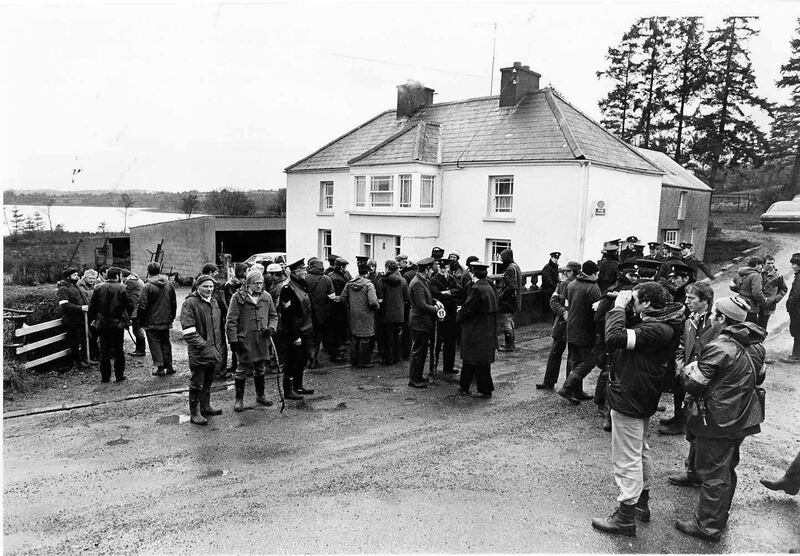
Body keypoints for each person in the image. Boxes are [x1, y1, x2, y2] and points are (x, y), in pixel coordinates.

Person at [591, 283, 684, 537]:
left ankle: (625, 517)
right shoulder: (662, 323)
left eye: (636, 299)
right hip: (641, 393)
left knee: (627, 457)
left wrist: (620, 307)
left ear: (647, 305)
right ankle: (641, 504)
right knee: (640, 450)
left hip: (631, 396)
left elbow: (615, 338)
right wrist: (626, 306)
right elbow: (629, 330)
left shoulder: (656, 330)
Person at [675, 296, 767, 542]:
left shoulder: (719, 347)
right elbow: (759, 377)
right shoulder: (756, 346)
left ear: (722, 319)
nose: (712, 318)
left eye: (715, 314)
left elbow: (695, 384)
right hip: (742, 417)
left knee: (714, 473)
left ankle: (708, 526)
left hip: (717, 420)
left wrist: (687, 370)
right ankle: (717, 518)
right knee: (726, 468)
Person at [668, 282, 724, 484]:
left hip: (707, 384)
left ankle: (698, 473)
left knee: (703, 426)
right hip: (690, 380)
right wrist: (680, 366)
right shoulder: (689, 320)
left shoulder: (717, 324)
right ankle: (693, 472)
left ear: (705, 301)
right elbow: (682, 346)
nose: (686, 302)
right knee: (692, 426)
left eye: (691, 298)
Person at [593, 260, 640, 430]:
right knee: (610, 374)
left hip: (625, 339)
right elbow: (599, 317)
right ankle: (605, 408)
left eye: (636, 275)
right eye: (631, 275)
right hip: (613, 340)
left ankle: (608, 408)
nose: (635, 278)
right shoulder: (614, 292)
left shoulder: (634, 292)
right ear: (622, 274)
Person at [226, 269, 279, 411]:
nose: (260, 286)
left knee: (260, 368)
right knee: (242, 369)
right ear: (249, 283)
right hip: (245, 341)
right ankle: (239, 400)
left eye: (261, 283)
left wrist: (271, 328)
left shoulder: (266, 297)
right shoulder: (238, 298)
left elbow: (274, 315)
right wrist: (233, 341)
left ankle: (260, 396)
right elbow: (231, 321)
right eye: (256, 283)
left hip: (262, 340)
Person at [180, 274, 225, 425]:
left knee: (208, 381)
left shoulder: (213, 301)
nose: (209, 289)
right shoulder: (190, 304)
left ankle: (206, 406)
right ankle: (195, 413)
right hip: (200, 352)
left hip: (213, 351)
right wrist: (205, 346)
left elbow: (217, 328)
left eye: (211, 286)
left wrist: (216, 348)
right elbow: (189, 332)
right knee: (197, 383)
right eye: (205, 286)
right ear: (198, 287)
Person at [558, 260, 602, 405]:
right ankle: (567, 388)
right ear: (594, 273)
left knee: (575, 359)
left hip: (572, 327)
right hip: (586, 330)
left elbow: (568, 304)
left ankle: (576, 391)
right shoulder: (593, 288)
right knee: (589, 361)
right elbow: (597, 312)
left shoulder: (571, 284)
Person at [536, 261, 580, 390]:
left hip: (575, 324)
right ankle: (548, 381)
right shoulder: (561, 285)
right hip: (561, 323)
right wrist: (563, 312)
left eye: (568, 271)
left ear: (575, 272)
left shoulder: (579, 286)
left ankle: (570, 387)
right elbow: (553, 302)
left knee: (573, 356)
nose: (565, 273)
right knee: (555, 351)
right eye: (565, 270)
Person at [457, 260, 498, 398]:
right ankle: (466, 386)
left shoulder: (476, 289)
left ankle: (481, 389)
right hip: (486, 328)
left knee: (474, 360)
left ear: (473, 272)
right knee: (478, 361)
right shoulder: (488, 286)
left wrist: (459, 313)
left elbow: (468, 309)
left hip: (475, 330)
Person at [277, 259, 316, 399]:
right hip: (294, 331)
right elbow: (288, 315)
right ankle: (288, 390)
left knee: (301, 359)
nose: (306, 272)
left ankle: (298, 386)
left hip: (304, 328)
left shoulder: (300, 284)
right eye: (303, 270)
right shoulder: (287, 288)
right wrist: (295, 335)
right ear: (296, 272)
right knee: (292, 360)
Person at [89, 267, 135, 383]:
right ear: (118, 275)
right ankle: (119, 375)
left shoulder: (98, 288)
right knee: (119, 349)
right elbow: (130, 305)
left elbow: (92, 306)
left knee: (104, 350)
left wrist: (94, 319)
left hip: (103, 323)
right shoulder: (123, 288)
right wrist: (125, 316)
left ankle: (105, 376)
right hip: (118, 323)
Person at [408, 257, 443, 388]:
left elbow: (426, 297)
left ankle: (417, 376)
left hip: (422, 322)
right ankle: (414, 379)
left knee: (421, 351)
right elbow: (421, 305)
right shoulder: (417, 283)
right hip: (419, 322)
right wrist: (436, 308)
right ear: (426, 269)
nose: (432, 272)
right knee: (418, 351)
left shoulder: (422, 281)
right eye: (431, 270)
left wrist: (435, 301)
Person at [138, 262, 177, 376]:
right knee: (166, 342)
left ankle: (159, 367)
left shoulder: (147, 287)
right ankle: (169, 366)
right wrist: (172, 317)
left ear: (148, 272)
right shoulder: (168, 285)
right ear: (159, 271)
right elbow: (173, 303)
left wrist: (141, 320)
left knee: (154, 343)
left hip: (151, 321)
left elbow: (142, 306)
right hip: (166, 320)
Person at [341, 262, 380, 368]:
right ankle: (364, 361)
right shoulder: (369, 285)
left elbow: (343, 297)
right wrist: (377, 306)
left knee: (355, 337)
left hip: (354, 314)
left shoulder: (349, 283)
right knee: (365, 338)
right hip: (366, 315)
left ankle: (354, 360)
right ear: (367, 273)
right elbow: (373, 302)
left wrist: (351, 306)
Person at [430, 258, 463, 375]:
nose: (444, 269)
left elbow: (459, 290)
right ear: (439, 268)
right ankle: (432, 368)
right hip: (441, 314)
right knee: (438, 342)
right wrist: (446, 294)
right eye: (442, 267)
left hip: (452, 313)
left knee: (451, 342)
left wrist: (448, 293)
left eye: (446, 267)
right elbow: (436, 294)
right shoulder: (434, 280)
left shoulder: (451, 278)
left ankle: (448, 367)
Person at [57, 267, 92, 369]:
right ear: (68, 277)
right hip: (71, 321)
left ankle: (86, 358)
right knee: (75, 342)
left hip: (81, 319)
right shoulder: (63, 289)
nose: (77, 277)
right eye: (75, 275)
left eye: (77, 275)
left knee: (85, 339)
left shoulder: (75, 286)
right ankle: (78, 362)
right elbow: (65, 306)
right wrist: (81, 308)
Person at [376, 259, 409, 365]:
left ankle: (388, 358)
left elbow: (380, 298)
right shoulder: (403, 281)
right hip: (399, 314)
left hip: (386, 314)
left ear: (387, 268)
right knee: (398, 337)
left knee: (387, 338)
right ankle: (398, 357)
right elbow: (406, 298)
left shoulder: (381, 281)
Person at [305, 258, 335, 369]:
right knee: (317, 337)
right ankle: (315, 358)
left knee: (308, 337)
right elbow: (332, 297)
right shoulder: (327, 279)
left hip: (306, 314)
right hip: (321, 314)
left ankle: (309, 358)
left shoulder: (305, 278)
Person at [223, 262, 249, 374]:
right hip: (237, 316)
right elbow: (231, 303)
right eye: (246, 270)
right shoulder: (232, 285)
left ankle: (240, 365)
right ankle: (237, 365)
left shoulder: (242, 282)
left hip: (242, 316)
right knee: (236, 341)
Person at [497, 248, 522, 352]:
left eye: (502, 258)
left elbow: (512, 286)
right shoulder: (515, 266)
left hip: (509, 300)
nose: (501, 261)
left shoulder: (510, 269)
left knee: (506, 322)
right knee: (509, 322)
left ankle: (509, 345)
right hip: (515, 299)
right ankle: (510, 344)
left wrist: (501, 294)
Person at [731, 256, 765, 324]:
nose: (762, 267)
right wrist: (763, 302)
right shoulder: (755, 275)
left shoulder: (739, 272)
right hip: (750, 307)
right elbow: (757, 293)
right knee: (751, 328)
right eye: (761, 265)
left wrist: (742, 291)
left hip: (739, 302)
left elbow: (732, 286)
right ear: (757, 265)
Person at [76, 269, 100, 361]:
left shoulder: (95, 286)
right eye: (90, 278)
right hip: (86, 314)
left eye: (94, 278)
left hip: (94, 313)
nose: (92, 280)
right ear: (85, 278)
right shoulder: (81, 288)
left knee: (94, 335)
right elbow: (85, 301)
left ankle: (94, 355)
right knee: (87, 336)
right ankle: (87, 356)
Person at [122, 269, 147, 357]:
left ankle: (140, 350)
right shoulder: (137, 279)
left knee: (137, 330)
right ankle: (140, 349)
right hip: (139, 308)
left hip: (135, 309)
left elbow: (124, 293)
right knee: (138, 329)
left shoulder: (130, 282)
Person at [759, 255, 787, 331]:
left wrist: (774, 299)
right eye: (768, 263)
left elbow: (783, 289)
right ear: (763, 264)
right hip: (756, 303)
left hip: (768, 305)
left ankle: (760, 342)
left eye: (772, 263)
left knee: (763, 326)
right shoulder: (757, 273)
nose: (771, 265)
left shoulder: (778, 276)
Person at [781, 253, 800, 363]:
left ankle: (795, 356)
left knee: (797, 331)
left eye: (795, 264)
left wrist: (790, 305)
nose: (792, 266)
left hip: (797, 310)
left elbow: (796, 295)